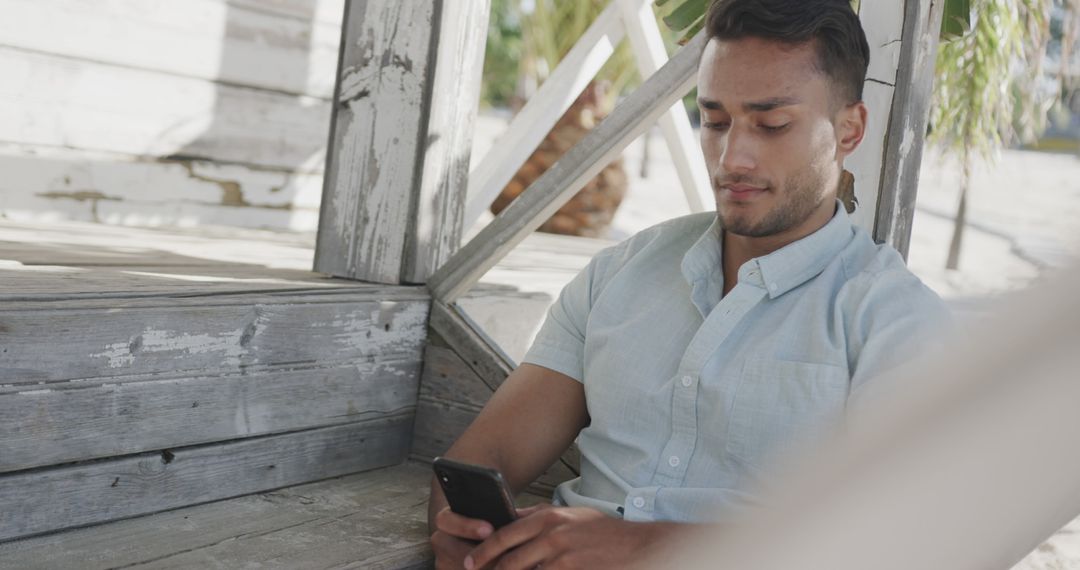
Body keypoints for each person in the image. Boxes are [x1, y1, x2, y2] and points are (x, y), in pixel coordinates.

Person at [429, 0, 951, 568]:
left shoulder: (894, 322)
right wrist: (465, 533)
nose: (733, 158)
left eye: (771, 124)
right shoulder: (621, 273)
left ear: (849, 128)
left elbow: (906, 541)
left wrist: (641, 547)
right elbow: (486, 459)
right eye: (715, 120)